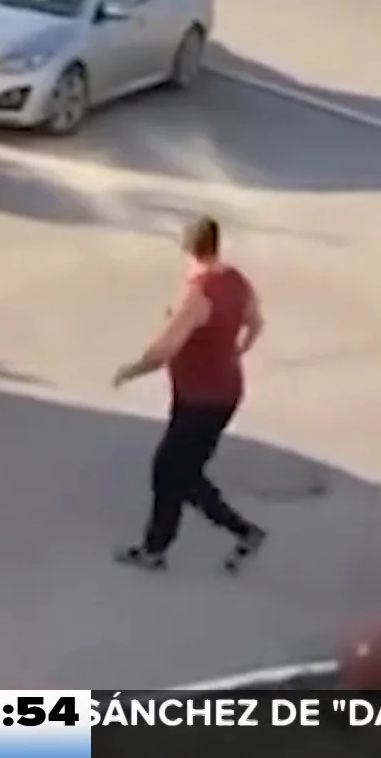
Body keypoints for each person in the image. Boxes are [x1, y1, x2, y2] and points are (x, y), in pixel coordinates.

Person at [109, 215, 267, 572]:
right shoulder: (236, 280)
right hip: (224, 392)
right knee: (185, 472)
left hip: (201, 400)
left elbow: (164, 351)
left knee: (168, 470)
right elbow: (255, 321)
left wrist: (130, 370)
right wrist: (237, 350)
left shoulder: (197, 293)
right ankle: (243, 533)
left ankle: (156, 550)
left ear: (188, 248)